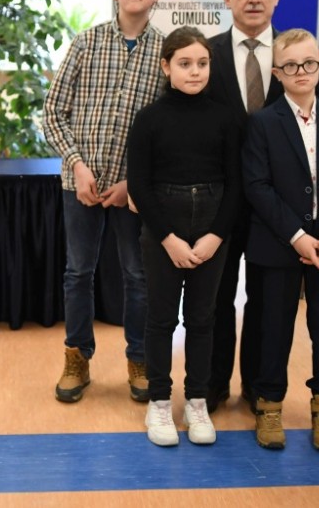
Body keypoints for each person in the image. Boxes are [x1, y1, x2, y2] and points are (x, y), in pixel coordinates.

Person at [43, 0, 168, 404]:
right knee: (78, 272)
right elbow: (52, 112)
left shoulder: (165, 54)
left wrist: (134, 183)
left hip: (133, 191)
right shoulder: (86, 43)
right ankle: (77, 357)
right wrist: (77, 165)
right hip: (79, 184)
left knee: (137, 276)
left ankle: (139, 359)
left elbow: (169, 130)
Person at [205, 0, 319, 414]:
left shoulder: (296, 57)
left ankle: (261, 388)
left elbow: (316, 127)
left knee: (268, 302)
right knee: (215, 298)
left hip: (278, 207)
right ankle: (212, 384)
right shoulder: (206, 54)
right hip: (217, 202)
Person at [243, 28, 319, 453]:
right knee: (274, 328)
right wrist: (297, 236)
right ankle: (270, 404)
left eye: (309, 63)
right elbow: (257, 186)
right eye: (290, 66)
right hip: (279, 245)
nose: (301, 72)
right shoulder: (262, 122)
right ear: (277, 72)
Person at [127, 26, 241, 446]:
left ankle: (197, 400)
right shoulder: (148, 119)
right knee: (160, 318)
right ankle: (159, 401)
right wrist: (168, 239)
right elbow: (139, 185)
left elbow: (236, 184)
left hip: (212, 227)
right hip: (164, 228)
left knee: (202, 319)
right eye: (185, 63)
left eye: (202, 63)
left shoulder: (226, 118)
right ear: (166, 67)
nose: (195, 71)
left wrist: (216, 236)